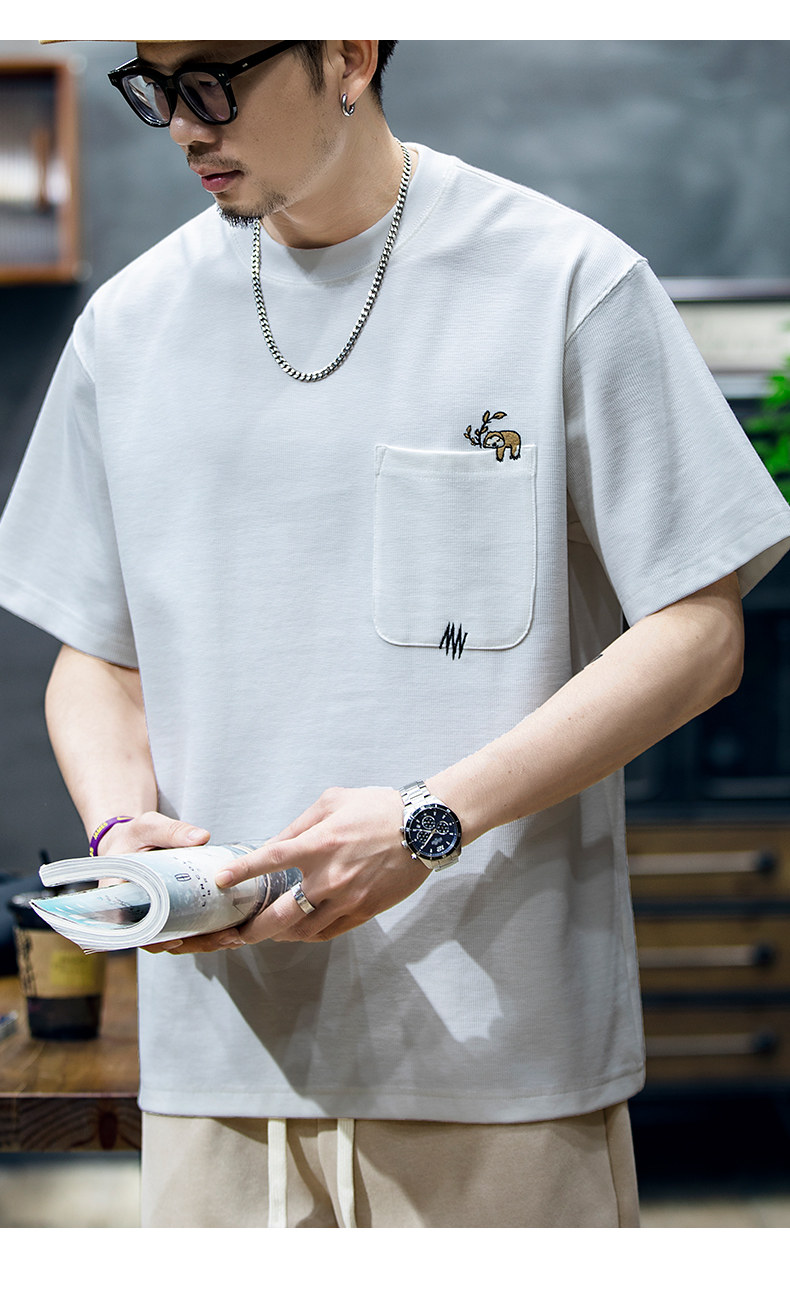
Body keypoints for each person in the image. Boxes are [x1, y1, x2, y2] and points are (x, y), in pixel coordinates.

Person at [1, 39, 789, 1229]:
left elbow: (699, 629)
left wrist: (431, 819)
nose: (184, 126)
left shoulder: (564, 280)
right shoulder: (131, 326)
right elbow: (96, 657)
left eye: (212, 82)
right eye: (155, 87)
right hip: (218, 1061)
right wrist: (123, 833)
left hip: (501, 1059)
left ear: (349, 53)